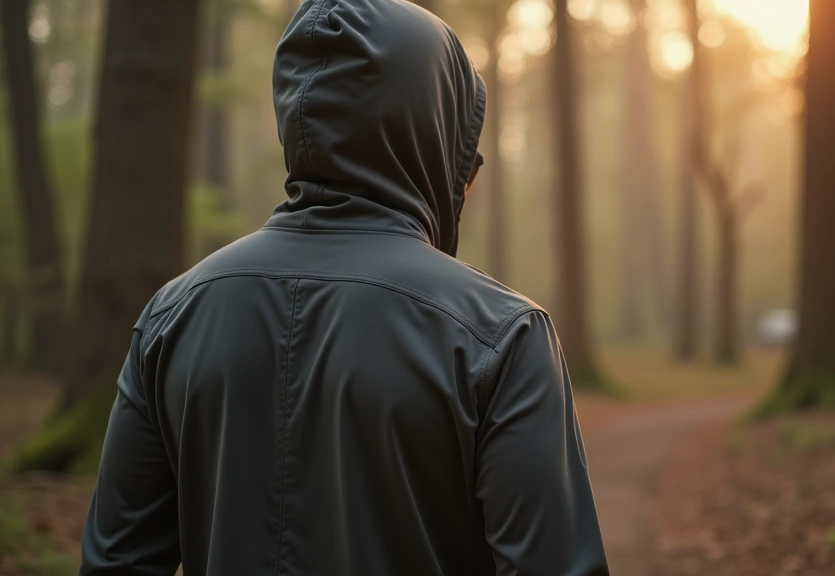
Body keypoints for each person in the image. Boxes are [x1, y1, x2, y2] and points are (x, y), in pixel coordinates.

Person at [79, 0, 609, 574]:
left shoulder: (172, 316)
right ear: (433, 143)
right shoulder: (502, 336)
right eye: (467, 160)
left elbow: (116, 563)